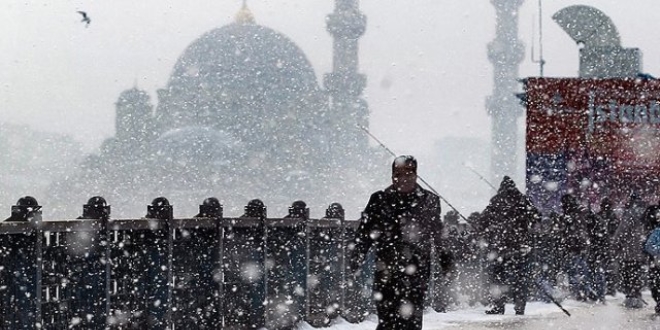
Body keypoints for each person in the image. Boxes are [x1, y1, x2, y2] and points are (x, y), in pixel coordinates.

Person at [348, 155, 445, 330]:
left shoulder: (429, 200)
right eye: (398, 174)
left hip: (417, 272)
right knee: (387, 321)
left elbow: (437, 233)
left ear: (416, 175)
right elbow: (364, 233)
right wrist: (356, 256)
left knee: (412, 322)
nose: (404, 178)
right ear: (392, 176)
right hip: (386, 271)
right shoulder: (379, 200)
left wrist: (445, 257)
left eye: (408, 173)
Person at [473, 176, 539, 315]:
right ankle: (520, 306)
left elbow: (483, 221)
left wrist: (483, 230)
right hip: (520, 247)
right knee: (521, 278)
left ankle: (498, 305)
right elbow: (536, 216)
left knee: (497, 277)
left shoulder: (496, 201)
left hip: (500, 248)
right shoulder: (523, 201)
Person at [613, 191, 648, 308]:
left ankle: (631, 298)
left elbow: (622, 231)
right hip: (639, 250)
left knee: (628, 274)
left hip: (628, 251)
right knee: (636, 273)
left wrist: (616, 244)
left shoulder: (630, 214)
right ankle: (637, 295)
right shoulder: (644, 213)